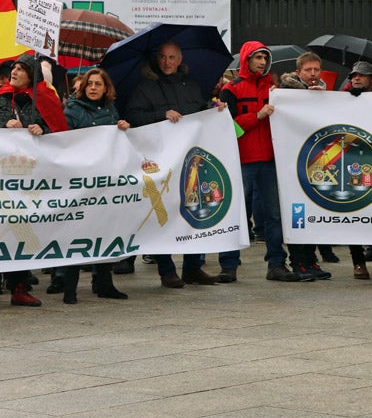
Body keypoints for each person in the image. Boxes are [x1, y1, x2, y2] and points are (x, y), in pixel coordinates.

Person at [125, 40, 223, 287]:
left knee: (193, 211)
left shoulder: (191, 85)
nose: (167, 62)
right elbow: (133, 117)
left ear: (180, 60)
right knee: (163, 214)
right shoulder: (145, 87)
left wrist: (214, 108)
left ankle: (192, 268)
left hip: (190, 161)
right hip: (160, 161)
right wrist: (162, 115)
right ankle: (167, 270)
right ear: (156, 60)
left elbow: (201, 111)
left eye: (172, 58)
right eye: (162, 57)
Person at [0, 52, 67, 311]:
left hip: (28, 179)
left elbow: (59, 132)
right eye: (13, 68)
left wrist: (42, 131)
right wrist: (4, 124)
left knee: (21, 231)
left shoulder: (43, 99)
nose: (14, 72)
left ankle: (19, 287)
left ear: (31, 75)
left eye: (20, 69)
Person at [220, 41, 301, 282]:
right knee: (235, 215)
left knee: (274, 216)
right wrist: (257, 116)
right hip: (242, 161)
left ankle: (276, 264)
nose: (263, 62)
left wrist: (314, 93)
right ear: (247, 59)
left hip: (269, 161)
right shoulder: (231, 90)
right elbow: (229, 128)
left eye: (265, 58)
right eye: (258, 58)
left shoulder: (274, 89)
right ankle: (228, 265)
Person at [58, 68, 130, 302]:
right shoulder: (73, 109)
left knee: (105, 230)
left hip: (104, 179)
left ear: (106, 88)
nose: (93, 88)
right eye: (89, 83)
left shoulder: (110, 110)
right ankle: (70, 287)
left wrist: (120, 127)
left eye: (98, 84)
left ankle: (104, 282)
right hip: (80, 179)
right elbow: (63, 138)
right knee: (76, 231)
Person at [278, 52, 333, 280]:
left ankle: (311, 260)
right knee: (296, 211)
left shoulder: (323, 91)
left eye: (316, 70)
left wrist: (323, 99)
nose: (313, 74)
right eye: (308, 70)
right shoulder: (286, 92)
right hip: (291, 160)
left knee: (314, 209)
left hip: (316, 159)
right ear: (298, 71)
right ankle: (298, 260)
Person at [342, 61, 372, 282]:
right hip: (352, 161)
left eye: (362, 75)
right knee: (353, 213)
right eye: (353, 75)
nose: (356, 78)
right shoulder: (344, 97)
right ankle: (358, 262)